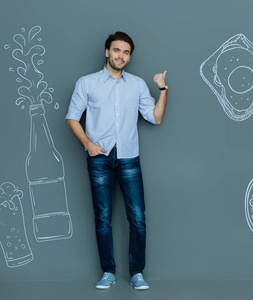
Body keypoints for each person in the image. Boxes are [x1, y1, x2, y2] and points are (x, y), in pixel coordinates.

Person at [65, 31, 168, 290]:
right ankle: (108, 272)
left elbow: (154, 117)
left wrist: (163, 89)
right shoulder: (87, 83)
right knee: (103, 218)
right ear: (107, 52)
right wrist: (88, 145)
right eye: (117, 50)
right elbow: (71, 117)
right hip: (99, 159)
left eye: (126, 52)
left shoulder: (137, 84)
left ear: (129, 56)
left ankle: (137, 273)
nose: (121, 56)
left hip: (129, 158)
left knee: (138, 219)